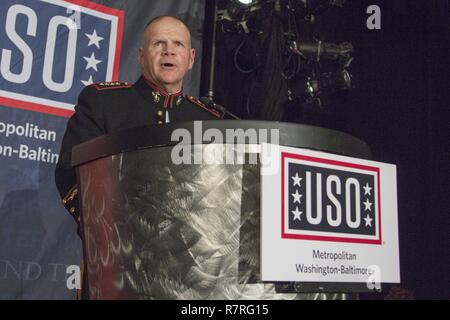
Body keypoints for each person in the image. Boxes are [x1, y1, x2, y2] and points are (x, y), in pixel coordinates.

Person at [55, 15, 222, 229]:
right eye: (158, 43)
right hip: (115, 249)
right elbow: (71, 172)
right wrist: (110, 229)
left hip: (191, 254)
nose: (168, 51)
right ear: (141, 56)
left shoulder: (209, 121)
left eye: (177, 44)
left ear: (190, 59)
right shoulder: (103, 101)